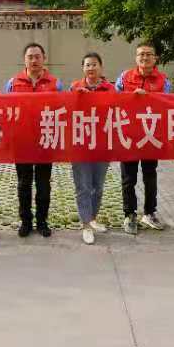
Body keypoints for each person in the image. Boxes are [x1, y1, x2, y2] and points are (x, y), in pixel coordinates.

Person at [5, 43, 63, 237]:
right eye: (30, 57)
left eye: (37, 56)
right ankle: (26, 221)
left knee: (43, 183)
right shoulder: (13, 83)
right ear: (24, 60)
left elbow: (63, 110)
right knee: (24, 183)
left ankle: (42, 221)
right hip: (22, 141)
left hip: (45, 140)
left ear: (44, 58)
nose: (34, 60)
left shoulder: (55, 83)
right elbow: (6, 110)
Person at [114, 42, 171, 234]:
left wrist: (149, 98)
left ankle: (149, 212)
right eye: (141, 54)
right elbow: (114, 100)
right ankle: (129, 214)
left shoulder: (164, 81)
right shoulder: (124, 77)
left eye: (148, 54)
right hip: (128, 135)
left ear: (156, 58)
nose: (144, 57)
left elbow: (167, 104)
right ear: (136, 57)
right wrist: (132, 97)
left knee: (150, 176)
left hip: (151, 135)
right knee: (128, 178)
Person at [70, 52, 115, 245]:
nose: (91, 68)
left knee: (98, 186)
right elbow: (66, 111)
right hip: (80, 143)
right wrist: (77, 98)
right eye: (87, 65)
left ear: (101, 67)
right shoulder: (74, 87)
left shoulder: (110, 88)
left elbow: (118, 109)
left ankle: (93, 217)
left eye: (94, 64)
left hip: (102, 144)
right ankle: (86, 225)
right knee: (83, 187)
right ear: (83, 68)